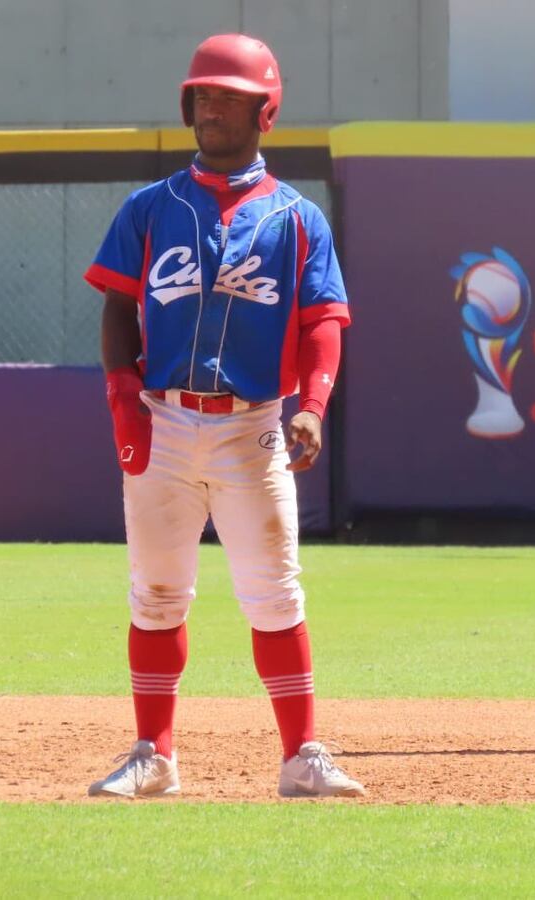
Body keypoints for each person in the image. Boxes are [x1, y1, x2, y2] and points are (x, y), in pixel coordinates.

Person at [82, 33, 364, 798]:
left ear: (263, 110)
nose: (208, 106)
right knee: (156, 591)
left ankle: (302, 756)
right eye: (200, 94)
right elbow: (117, 308)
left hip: (254, 424)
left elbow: (324, 322)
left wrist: (314, 406)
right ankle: (153, 756)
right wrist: (122, 400)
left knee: (275, 591)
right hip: (165, 418)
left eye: (226, 96)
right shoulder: (151, 208)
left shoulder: (297, 219)